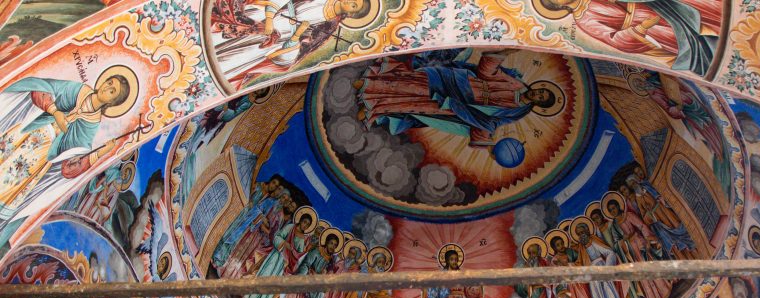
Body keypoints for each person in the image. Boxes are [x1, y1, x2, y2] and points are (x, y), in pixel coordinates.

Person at [0, 70, 136, 247]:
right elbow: (43, 88)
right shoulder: (79, 91)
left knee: (8, 185)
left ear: (112, 102)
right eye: (110, 82)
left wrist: (101, 152)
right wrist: (55, 111)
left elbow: (73, 163)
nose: (107, 87)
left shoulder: (91, 124)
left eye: (112, 91)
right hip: (27, 133)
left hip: (40, 154)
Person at [356, 49, 560, 149]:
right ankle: (369, 83)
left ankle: (373, 106)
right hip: (459, 81)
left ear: (538, 104)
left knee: (414, 102)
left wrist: (485, 139)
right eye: (542, 91)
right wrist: (500, 55)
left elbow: (490, 121)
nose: (538, 94)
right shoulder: (515, 83)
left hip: (457, 103)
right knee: (415, 80)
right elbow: (487, 73)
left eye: (541, 98)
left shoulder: (516, 112)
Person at [534, 0, 720, 76]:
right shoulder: (584, 19)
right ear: (559, 7)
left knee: (700, 12)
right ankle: (713, 51)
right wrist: (642, 27)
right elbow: (616, 40)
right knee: (690, 39)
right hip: (651, 24)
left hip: (654, 4)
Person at [214, 0, 372, 89]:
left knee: (231, 59)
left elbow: (297, 55)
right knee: (219, 35)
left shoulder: (328, 27)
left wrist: (296, 35)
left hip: (275, 41)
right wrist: (269, 18)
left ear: (351, 14)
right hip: (264, 14)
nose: (349, 1)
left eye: (353, 5)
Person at [245, 209, 315, 298]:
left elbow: (298, 255)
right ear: (300, 220)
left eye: (307, 224)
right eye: (304, 222)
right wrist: (284, 244)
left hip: (283, 264)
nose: (305, 225)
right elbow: (278, 236)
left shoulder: (302, 238)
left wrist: (299, 252)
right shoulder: (291, 227)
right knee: (264, 277)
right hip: (276, 256)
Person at [604, 192, 672, 298]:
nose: (613, 211)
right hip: (630, 254)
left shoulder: (629, 215)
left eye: (614, 208)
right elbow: (615, 244)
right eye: (610, 210)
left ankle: (664, 291)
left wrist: (648, 239)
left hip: (640, 246)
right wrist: (622, 242)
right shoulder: (614, 226)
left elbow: (641, 226)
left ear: (618, 206)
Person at [570, 220, 631, 298]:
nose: (581, 234)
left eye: (583, 231)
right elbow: (581, 264)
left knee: (610, 297)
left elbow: (610, 253)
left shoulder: (594, 240)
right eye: (579, 233)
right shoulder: (581, 249)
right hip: (593, 278)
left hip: (602, 270)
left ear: (587, 231)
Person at [626, 175, 696, 260]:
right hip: (658, 221)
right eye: (631, 185)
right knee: (670, 242)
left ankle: (694, 251)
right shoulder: (638, 198)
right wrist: (648, 213)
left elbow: (660, 194)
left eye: (633, 183)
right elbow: (644, 215)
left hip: (665, 213)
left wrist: (659, 199)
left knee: (678, 228)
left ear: (636, 181)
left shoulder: (647, 187)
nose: (634, 186)